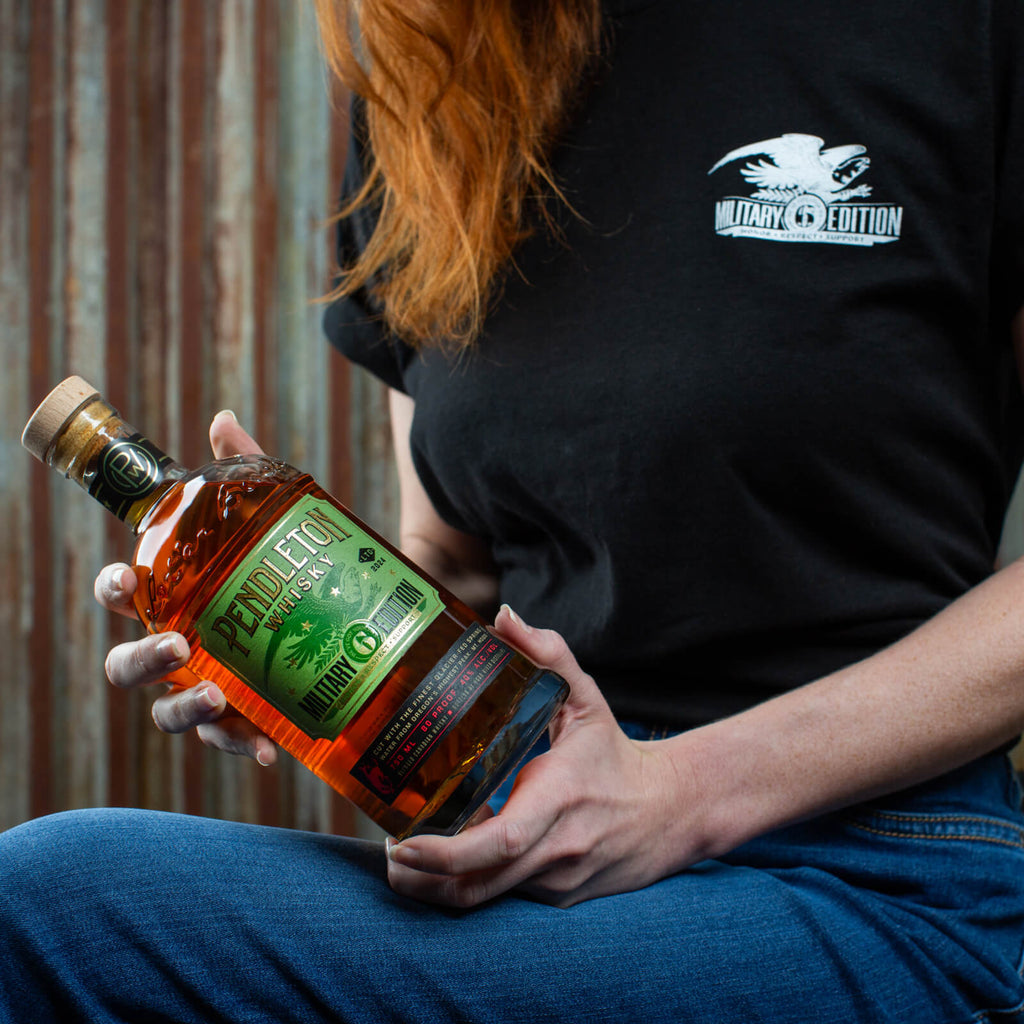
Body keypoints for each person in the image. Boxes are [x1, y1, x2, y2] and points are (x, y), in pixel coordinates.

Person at [3, 0, 1024, 1020]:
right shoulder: (433, 62)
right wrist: (295, 643)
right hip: (538, 839)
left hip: (871, 866)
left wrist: (681, 794)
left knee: (52, 904)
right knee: (52, 900)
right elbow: (448, 560)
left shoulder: (956, 32)